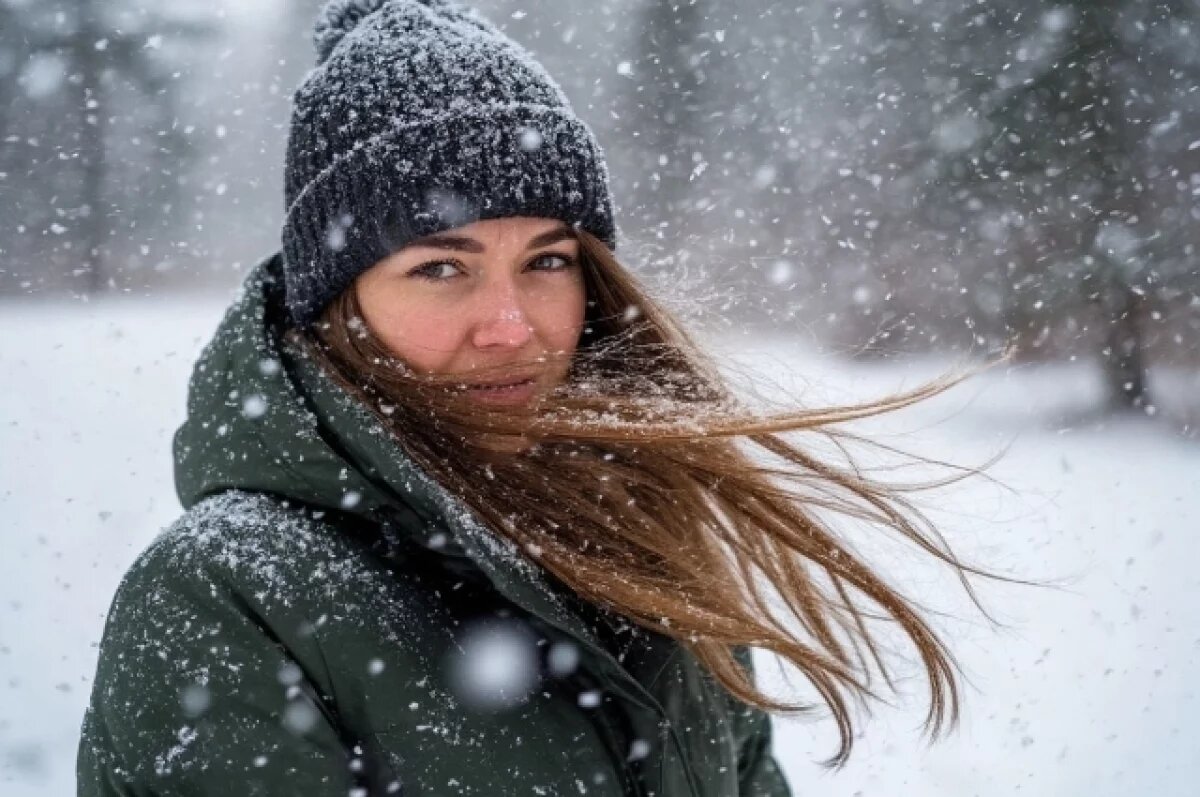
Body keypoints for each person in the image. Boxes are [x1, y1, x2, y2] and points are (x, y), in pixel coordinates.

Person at [77, 1, 998, 794]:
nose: (513, 326)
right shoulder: (228, 594)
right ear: (336, 305)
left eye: (547, 260)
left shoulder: (647, 531)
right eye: (441, 266)